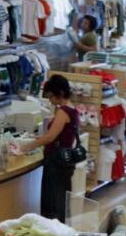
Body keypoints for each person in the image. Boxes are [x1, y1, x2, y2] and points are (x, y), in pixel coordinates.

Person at [18, 74, 80, 223]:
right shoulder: (72, 110)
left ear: (60, 93)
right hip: (65, 160)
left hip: (56, 162)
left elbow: (50, 137)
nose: (50, 100)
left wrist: (27, 146)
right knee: (60, 202)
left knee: (53, 203)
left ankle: (53, 234)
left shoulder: (63, 112)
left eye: (51, 96)